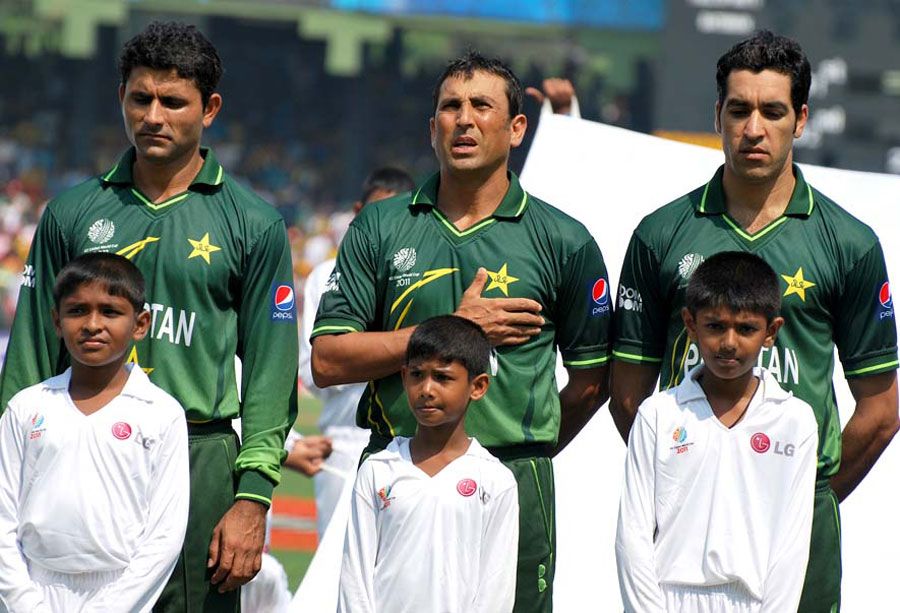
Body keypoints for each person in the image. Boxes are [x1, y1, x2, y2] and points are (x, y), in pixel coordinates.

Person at [0, 22, 299, 611]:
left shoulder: (254, 223)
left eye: (173, 101)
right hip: (77, 446)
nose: (153, 116)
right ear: (121, 99)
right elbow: (29, 359)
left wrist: (253, 497)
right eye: (141, 99)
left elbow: (271, 370)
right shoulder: (71, 213)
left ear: (209, 108)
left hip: (199, 455)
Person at [610, 30, 898, 611]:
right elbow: (628, 396)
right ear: (717, 114)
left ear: (802, 119)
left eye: (773, 111)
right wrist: (686, 475)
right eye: (739, 110)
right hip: (682, 508)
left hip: (802, 514)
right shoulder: (659, 235)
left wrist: (799, 494)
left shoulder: (850, 244)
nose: (754, 128)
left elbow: (882, 407)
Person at [311, 51, 610, 612]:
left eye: (481, 106)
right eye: (450, 106)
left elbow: (594, 381)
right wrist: (448, 330)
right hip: (396, 470)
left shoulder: (564, 239)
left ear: (517, 127)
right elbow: (328, 360)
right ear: (432, 129)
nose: (464, 120)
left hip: (515, 474)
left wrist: (523, 451)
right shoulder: (381, 225)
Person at [616, 251, 817, 613]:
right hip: (667, 597)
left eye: (745, 329)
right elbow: (632, 536)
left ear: (771, 333)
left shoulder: (795, 421)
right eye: (715, 326)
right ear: (690, 325)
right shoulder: (658, 415)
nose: (728, 343)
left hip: (755, 601)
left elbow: (792, 543)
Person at [0, 253, 189, 612]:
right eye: (77, 311)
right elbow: (2, 515)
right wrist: (24, 603)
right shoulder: (27, 407)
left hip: (122, 593)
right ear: (57, 321)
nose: (92, 324)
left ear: (141, 323)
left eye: (110, 311)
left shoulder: (162, 414)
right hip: (32, 587)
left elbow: (164, 536)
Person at [338, 315, 518, 613]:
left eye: (443, 377)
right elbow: (354, 577)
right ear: (404, 375)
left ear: (478, 386)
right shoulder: (378, 469)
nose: (426, 389)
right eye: (417, 375)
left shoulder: (496, 481)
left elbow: (495, 590)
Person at [298, 166, 415, 538]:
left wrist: (359, 353)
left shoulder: (420, 273)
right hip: (344, 439)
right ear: (357, 211)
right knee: (333, 572)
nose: (383, 226)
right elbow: (315, 368)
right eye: (375, 214)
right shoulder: (327, 274)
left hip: (409, 437)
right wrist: (396, 354)